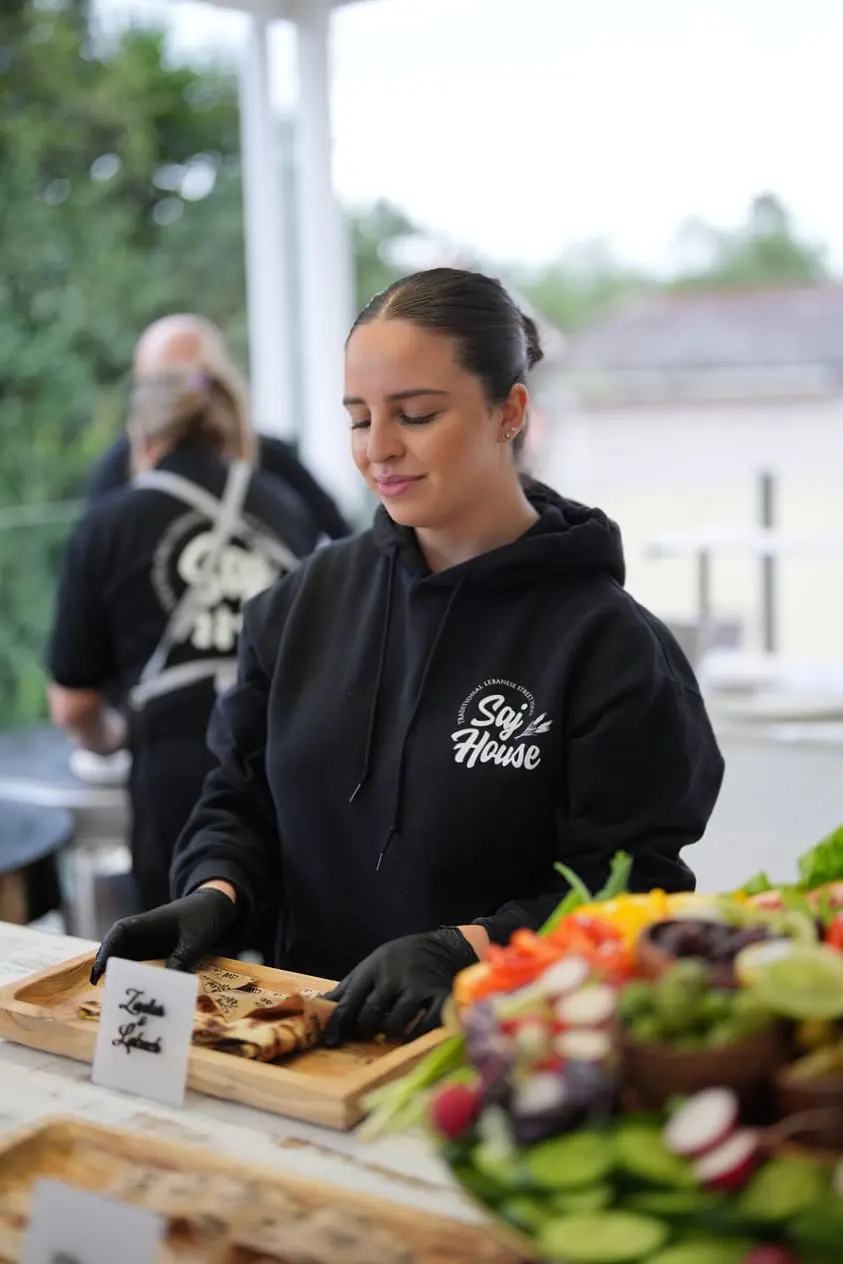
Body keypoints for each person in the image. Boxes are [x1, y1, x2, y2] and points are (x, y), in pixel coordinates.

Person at [90, 267, 724, 1047]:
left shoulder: (608, 647)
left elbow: (632, 884)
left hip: (498, 1055)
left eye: (415, 415)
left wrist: (467, 949)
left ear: (509, 411)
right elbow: (240, 797)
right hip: (305, 1043)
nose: (379, 449)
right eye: (359, 419)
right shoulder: (303, 605)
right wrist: (216, 893)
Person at [47, 362, 321, 913]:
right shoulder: (286, 509)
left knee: (171, 970)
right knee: (287, 983)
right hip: (290, 767)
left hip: (174, 778)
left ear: (141, 437)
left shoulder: (110, 523)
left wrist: (115, 738)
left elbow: (73, 705)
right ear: (227, 429)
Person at [88, 314, 351, 541]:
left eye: (187, 383)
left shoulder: (271, 460)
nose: (174, 400)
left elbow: (340, 531)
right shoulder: (117, 470)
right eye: (160, 384)